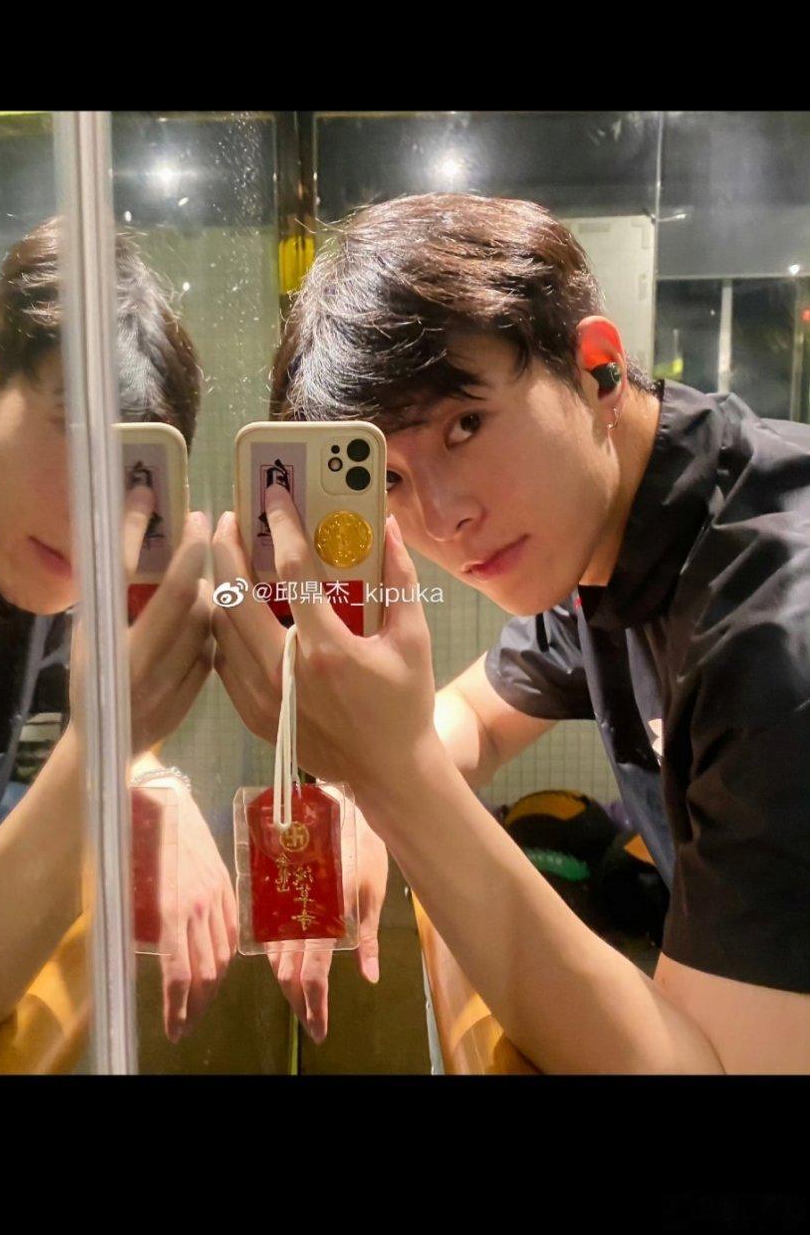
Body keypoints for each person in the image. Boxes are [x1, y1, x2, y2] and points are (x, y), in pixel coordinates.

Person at [211, 193, 810, 1072]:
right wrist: (368, 801)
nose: (443, 516)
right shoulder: (607, 534)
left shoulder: (778, 637)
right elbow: (479, 718)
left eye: (465, 424)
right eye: (391, 478)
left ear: (597, 368)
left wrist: (397, 779)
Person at [0, 218, 233, 1072]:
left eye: (130, 470)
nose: (95, 514)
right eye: (73, 434)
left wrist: (151, 785)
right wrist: (106, 752)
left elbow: (86, 713)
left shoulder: (30, 538)